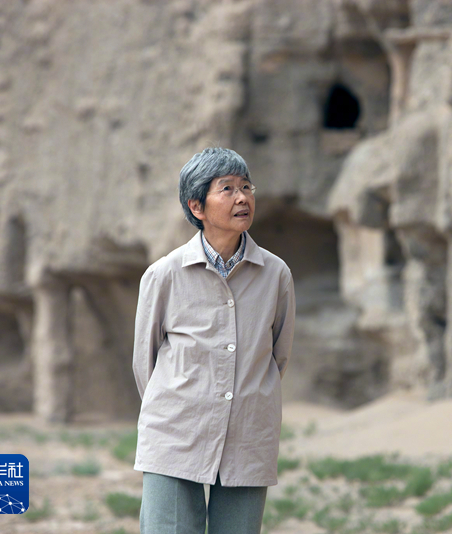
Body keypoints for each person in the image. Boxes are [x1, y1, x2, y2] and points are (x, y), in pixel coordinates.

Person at [132, 147, 296, 534]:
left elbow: (278, 355)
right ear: (197, 206)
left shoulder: (275, 274)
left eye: (246, 187)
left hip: (248, 434)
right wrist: (181, 405)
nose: (242, 198)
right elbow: (145, 362)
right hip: (175, 434)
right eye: (227, 189)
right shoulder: (164, 274)